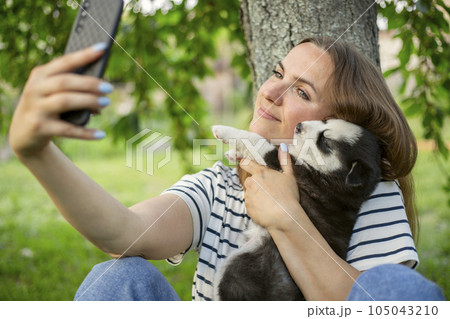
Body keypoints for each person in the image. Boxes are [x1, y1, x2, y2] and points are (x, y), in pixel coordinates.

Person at [9, 37, 444, 301]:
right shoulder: (220, 184)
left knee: (403, 293)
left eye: (301, 90)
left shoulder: (370, 193)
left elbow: (378, 304)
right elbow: (123, 233)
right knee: (119, 277)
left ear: (338, 126)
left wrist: (286, 217)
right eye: (277, 73)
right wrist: (37, 153)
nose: (271, 90)